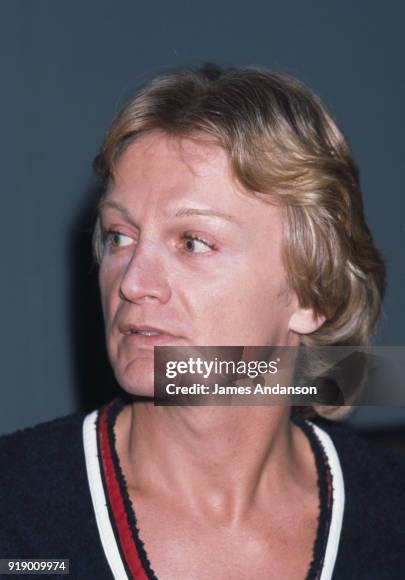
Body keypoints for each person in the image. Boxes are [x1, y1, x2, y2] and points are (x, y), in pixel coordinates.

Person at [0, 64, 404, 580]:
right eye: (119, 236)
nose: (132, 282)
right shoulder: (19, 519)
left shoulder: (390, 517)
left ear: (311, 291)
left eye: (193, 242)